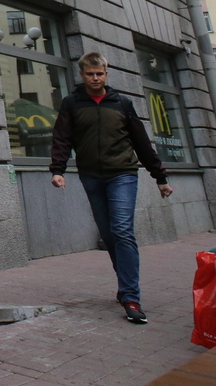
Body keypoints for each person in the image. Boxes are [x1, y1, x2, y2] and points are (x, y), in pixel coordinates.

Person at [49, 52, 172, 325]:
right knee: (109, 235)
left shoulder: (122, 103)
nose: (95, 78)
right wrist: (57, 170)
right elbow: (62, 138)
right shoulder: (71, 103)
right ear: (82, 75)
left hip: (123, 174)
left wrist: (160, 177)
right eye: (90, 74)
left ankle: (131, 296)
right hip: (91, 176)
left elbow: (142, 142)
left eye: (100, 74)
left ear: (106, 74)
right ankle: (125, 284)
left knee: (122, 231)